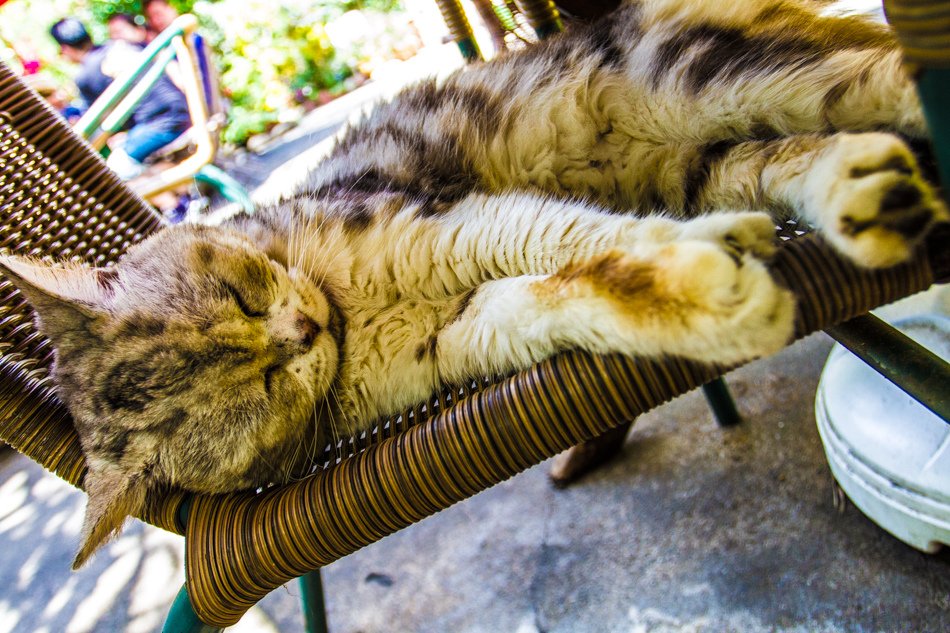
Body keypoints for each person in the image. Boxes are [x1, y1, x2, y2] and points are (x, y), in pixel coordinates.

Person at [49, 17, 191, 180]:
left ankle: (177, 202)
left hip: (162, 124)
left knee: (114, 172)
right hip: (181, 109)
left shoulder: (85, 75)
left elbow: (95, 125)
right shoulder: (117, 46)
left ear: (65, 49)